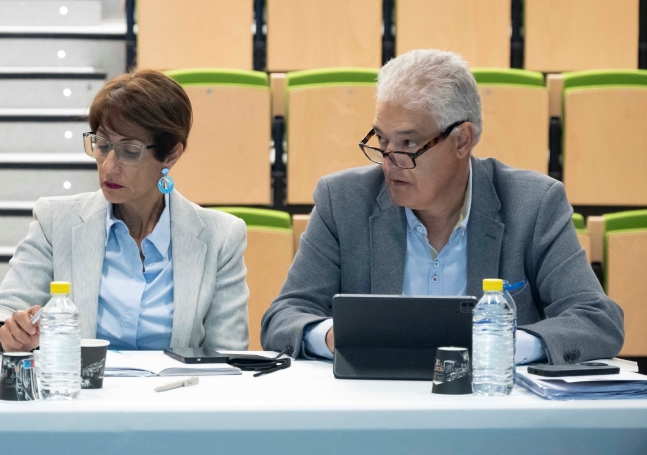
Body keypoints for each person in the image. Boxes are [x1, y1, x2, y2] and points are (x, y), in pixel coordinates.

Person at [261, 50, 624, 365]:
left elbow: (596, 320)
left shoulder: (532, 204)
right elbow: (283, 319)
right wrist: (332, 336)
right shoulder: (343, 200)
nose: (389, 161)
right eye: (382, 140)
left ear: (462, 140)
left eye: (408, 143)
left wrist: (505, 345)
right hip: (374, 411)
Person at [0, 69, 249, 353]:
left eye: (129, 151)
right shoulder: (55, 221)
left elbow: (228, 356)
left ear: (171, 155)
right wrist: (6, 334)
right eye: (102, 146)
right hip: (81, 393)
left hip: (175, 395)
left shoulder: (221, 236)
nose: (108, 166)